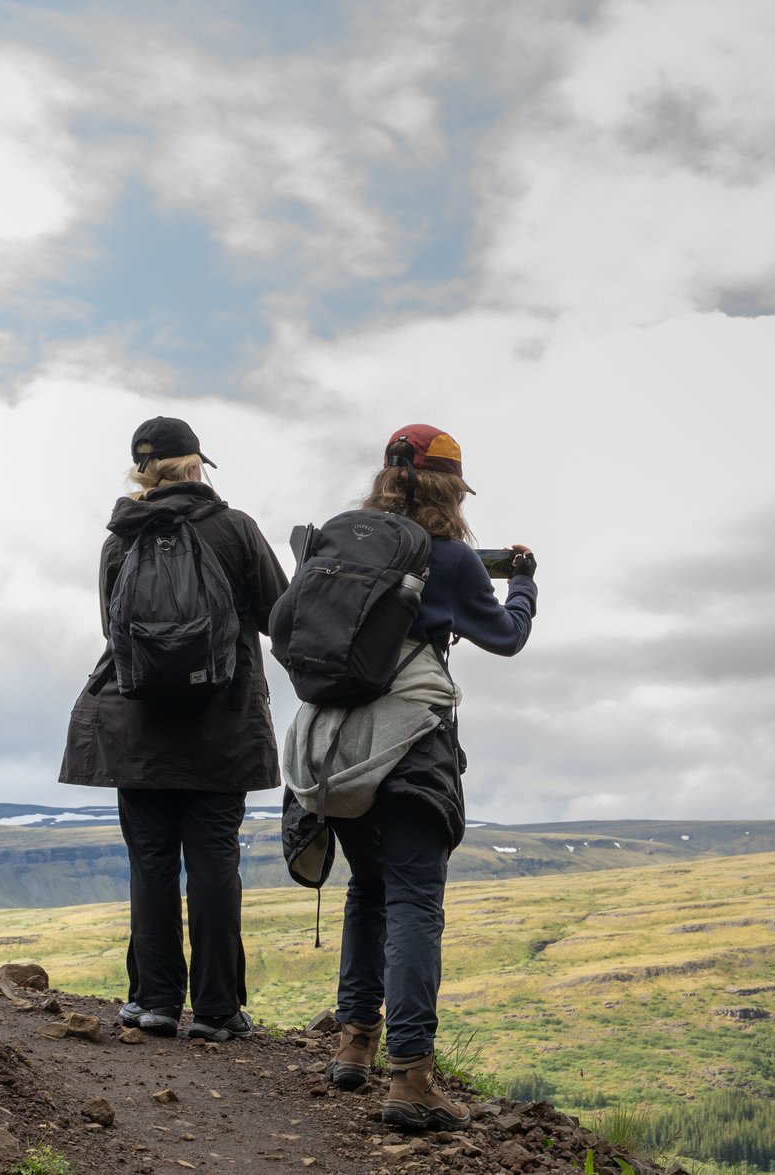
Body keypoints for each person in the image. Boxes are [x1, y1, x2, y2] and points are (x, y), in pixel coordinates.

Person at [282, 423, 537, 1132]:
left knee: (367, 890)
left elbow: (286, 621)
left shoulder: (338, 542)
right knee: (416, 903)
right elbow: (507, 637)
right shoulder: (450, 557)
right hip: (412, 750)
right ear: (449, 486)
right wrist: (523, 586)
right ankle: (411, 1077)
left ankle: (353, 1044)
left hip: (338, 750)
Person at [61, 416, 287, 1041]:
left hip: (139, 727)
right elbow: (278, 614)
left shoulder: (119, 539)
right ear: (194, 466)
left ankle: (155, 1003)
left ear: (143, 470)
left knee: (151, 860)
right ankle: (217, 1012)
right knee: (214, 861)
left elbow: (114, 630)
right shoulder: (236, 529)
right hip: (224, 726)